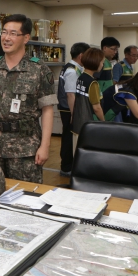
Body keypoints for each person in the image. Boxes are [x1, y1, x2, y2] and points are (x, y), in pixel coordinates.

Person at [0, 14, 57, 183]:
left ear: (25, 38)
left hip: (25, 148)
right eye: (4, 32)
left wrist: (45, 146)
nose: (6, 38)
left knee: (25, 197)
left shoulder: (39, 69)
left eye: (12, 33)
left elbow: (47, 109)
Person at [56, 42, 89, 177]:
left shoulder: (75, 68)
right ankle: (66, 167)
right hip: (69, 109)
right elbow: (70, 94)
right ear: (81, 56)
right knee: (69, 138)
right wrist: (74, 114)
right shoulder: (71, 71)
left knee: (69, 138)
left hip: (70, 108)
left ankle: (70, 164)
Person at [72, 48, 105, 136]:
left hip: (78, 123)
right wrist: (104, 121)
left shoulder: (81, 77)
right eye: (102, 62)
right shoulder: (92, 83)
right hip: (88, 125)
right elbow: (96, 108)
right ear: (96, 62)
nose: (102, 65)